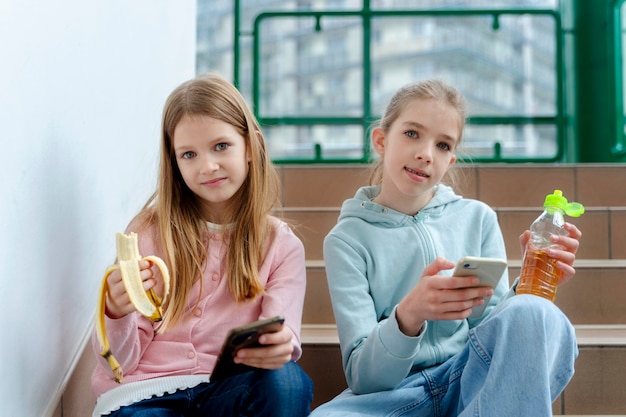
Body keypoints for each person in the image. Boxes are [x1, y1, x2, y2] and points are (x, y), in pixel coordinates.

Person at [310, 79, 582, 417]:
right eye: (412, 134)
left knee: (537, 312)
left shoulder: (478, 218)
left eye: (442, 145)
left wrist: (528, 284)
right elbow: (364, 377)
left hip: (469, 378)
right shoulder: (346, 239)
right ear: (381, 140)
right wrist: (409, 315)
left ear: (450, 160)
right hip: (396, 396)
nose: (426, 153)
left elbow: (499, 334)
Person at [91, 72, 313, 417]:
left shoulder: (281, 245)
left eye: (221, 146)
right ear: (174, 162)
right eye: (189, 154)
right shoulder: (148, 230)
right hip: (144, 398)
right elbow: (118, 363)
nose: (207, 166)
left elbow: (279, 343)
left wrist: (280, 346)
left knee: (287, 380)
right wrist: (117, 313)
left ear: (251, 147)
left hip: (228, 391)